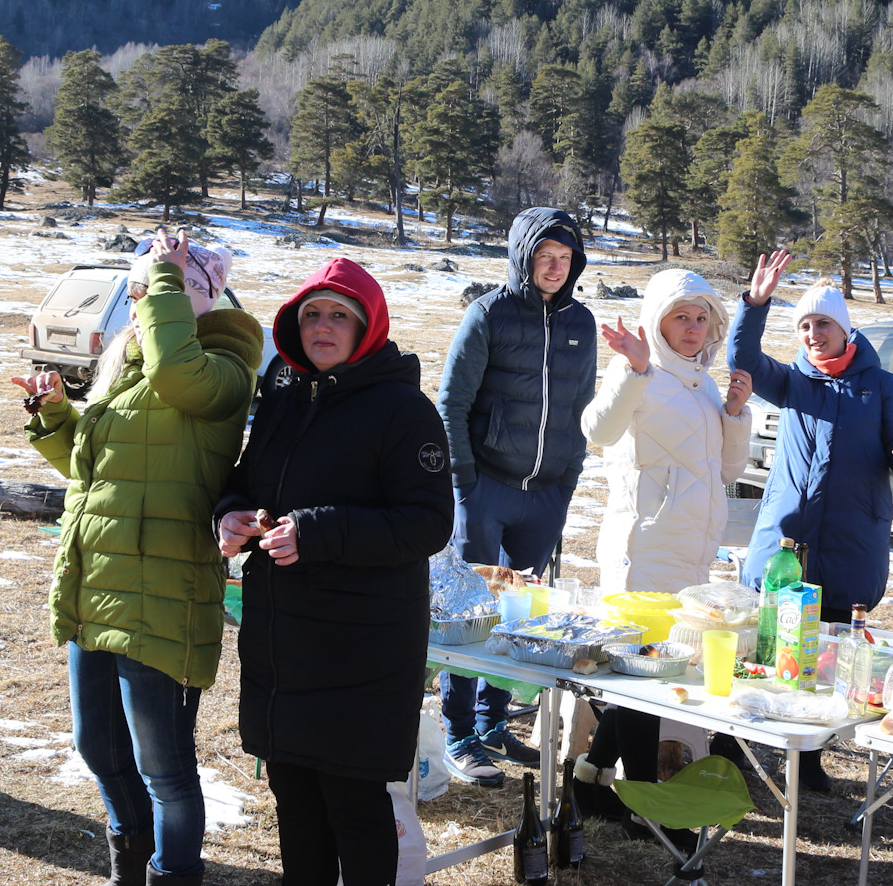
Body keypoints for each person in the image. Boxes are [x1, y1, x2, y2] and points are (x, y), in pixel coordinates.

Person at [16, 229, 258, 885]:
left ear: (195, 294)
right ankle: (133, 863)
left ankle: (172, 871)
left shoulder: (226, 368)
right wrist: (57, 415)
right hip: (98, 581)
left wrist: (166, 281)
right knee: (96, 744)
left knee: (164, 765)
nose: (134, 294)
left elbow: (180, 376)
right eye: (138, 283)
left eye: (148, 284)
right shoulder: (126, 363)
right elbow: (93, 472)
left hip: (164, 587)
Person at [217, 259, 451, 886]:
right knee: (294, 801)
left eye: (339, 315)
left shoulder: (404, 411)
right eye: (311, 314)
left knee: (353, 805)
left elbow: (429, 522)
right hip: (283, 639)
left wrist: (320, 532)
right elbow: (248, 479)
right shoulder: (285, 393)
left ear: (367, 325)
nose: (322, 327)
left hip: (361, 649)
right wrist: (233, 513)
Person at [728, 249, 893, 792]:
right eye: (807, 326)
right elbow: (741, 355)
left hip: (849, 540)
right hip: (788, 538)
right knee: (771, 643)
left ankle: (808, 760)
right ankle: (733, 743)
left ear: (845, 328)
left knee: (829, 655)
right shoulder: (794, 381)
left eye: (824, 324)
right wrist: (757, 302)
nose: (814, 334)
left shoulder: (879, 385)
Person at [574, 269, 752, 827]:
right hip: (642, 547)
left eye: (702, 318)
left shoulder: (701, 385)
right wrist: (634, 368)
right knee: (641, 680)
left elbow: (728, 469)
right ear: (658, 320)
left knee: (646, 677)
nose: (693, 328)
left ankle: (588, 781)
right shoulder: (638, 369)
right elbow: (598, 431)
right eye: (682, 316)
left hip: (690, 556)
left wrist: (735, 415)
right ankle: (641, 800)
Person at [435, 207, 598, 784]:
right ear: (523, 257)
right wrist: (464, 482)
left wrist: (567, 483)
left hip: (545, 496)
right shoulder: (489, 314)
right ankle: (458, 733)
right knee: (470, 613)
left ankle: (493, 721)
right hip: (486, 489)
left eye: (565, 258)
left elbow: (584, 410)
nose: (555, 267)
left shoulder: (583, 323)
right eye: (544, 256)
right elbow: (451, 403)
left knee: (518, 616)